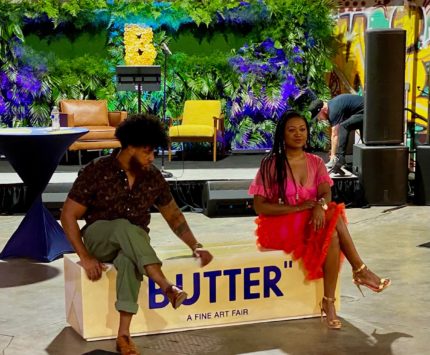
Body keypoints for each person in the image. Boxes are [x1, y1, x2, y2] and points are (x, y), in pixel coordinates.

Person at [60, 113, 213, 355]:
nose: (152, 157)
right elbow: (68, 215)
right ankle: (166, 286)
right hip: (98, 239)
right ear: (129, 146)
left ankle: (124, 336)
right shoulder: (98, 170)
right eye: (147, 151)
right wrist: (85, 257)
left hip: (133, 244)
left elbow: (174, 216)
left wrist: (196, 245)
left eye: (154, 152)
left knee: (129, 260)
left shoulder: (152, 176)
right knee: (123, 226)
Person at [248, 110, 390, 330]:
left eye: (302, 129)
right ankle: (359, 271)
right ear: (282, 134)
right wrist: (296, 207)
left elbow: (326, 194)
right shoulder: (271, 164)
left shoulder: (316, 162)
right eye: (292, 130)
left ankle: (329, 302)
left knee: (332, 233)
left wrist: (318, 207)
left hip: (310, 220)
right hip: (280, 225)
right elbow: (260, 206)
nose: (298, 134)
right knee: (334, 217)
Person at [308, 93, 364, 170]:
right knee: (365, 142)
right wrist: (333, 150)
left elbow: (335, 134)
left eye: (318, 117)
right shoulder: (332, 106)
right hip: (364, 112)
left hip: (367, 113)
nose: (319, 119)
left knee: (343, 126)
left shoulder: (333, 111)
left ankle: (339, 158)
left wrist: (333, 156)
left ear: (322, 110)